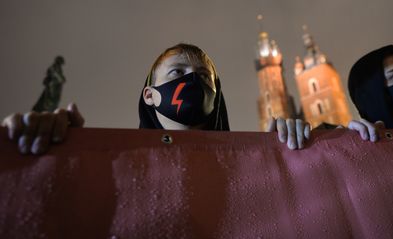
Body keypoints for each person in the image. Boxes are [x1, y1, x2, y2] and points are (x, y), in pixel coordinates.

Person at [2, 43, 311, 154]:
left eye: (204, 77)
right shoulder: (119, 163)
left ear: (216, 97)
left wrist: (290, 155)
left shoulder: (254, 160)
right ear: (149, 96)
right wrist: (53, 142)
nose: (192, 80)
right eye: (177, 73)